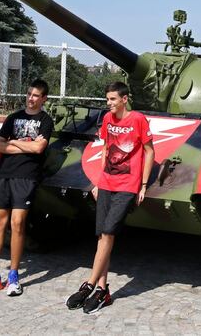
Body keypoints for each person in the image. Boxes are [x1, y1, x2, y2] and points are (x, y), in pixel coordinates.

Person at [65, 81, 155, 314]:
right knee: (101, 236)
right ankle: (102, 290)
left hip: (127, 184)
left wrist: (143, 185)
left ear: (124, 99)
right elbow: (106, 149)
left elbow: (149, 150)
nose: (109, 103)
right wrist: (98, 180)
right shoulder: (107, 119)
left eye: (113, 99)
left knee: (108, 233)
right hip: (106, 182)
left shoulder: (137, 119)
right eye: (107, 100)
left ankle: (89, 284)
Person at [0, 79, 54, 297]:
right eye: (29, 94)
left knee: (17, 223)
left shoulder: (45, 120)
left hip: (26, 176)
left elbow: (39, 148)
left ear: (44, 98)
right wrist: (24, 144)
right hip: (5, 174)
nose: (31, 98)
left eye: (36, 95)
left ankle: (14, 275)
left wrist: (14, 142)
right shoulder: (14, 117)